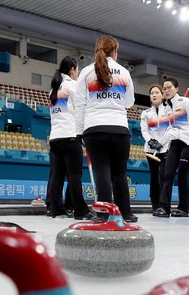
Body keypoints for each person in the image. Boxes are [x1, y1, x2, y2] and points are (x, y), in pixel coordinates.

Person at [73, 35, 137, 222]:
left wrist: (79, 131)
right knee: (120, 173)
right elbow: (129, 102)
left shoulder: (86, 72)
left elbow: (80, 104)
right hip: (119, 128)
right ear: (115, 52)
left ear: (97, 51)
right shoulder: (124, 72)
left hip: (94, 128)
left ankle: (103, 213)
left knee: (102, 170)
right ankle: (125, 213)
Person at [47, 56, 92, 220]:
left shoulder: (53, 89)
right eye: (77, 70)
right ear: (72, 69)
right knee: (74, 175)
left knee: (57, 176)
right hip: (70, 136)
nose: (78, 73)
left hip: (55, 139)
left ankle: (57, 210)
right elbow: (82, 109)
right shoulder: (73, 86)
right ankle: (80, 210)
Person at [153, 78, 189, 218]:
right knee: (167, 174)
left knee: (182, 175)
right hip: (175, 143)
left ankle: (183, 209)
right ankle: (164, 208)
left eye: (169, 87)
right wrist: (161, 143)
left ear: (177, 89)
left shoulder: (186, 102)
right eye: (164, 88)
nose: (166, 90)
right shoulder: (166, 107)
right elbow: (171, 128)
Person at [140, 84, 171, 213]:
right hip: (150, 150)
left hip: (165, 149)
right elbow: (144, 130)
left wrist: (161, 143)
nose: (153, 95)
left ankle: (164, 205)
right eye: (152, 93)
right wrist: (151, 142)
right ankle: (155, 205)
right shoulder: (145, 113)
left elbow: (171, 129)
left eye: (156, 92)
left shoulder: (169, 111)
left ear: (162, 95)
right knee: (154, 177)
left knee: (165, 176)